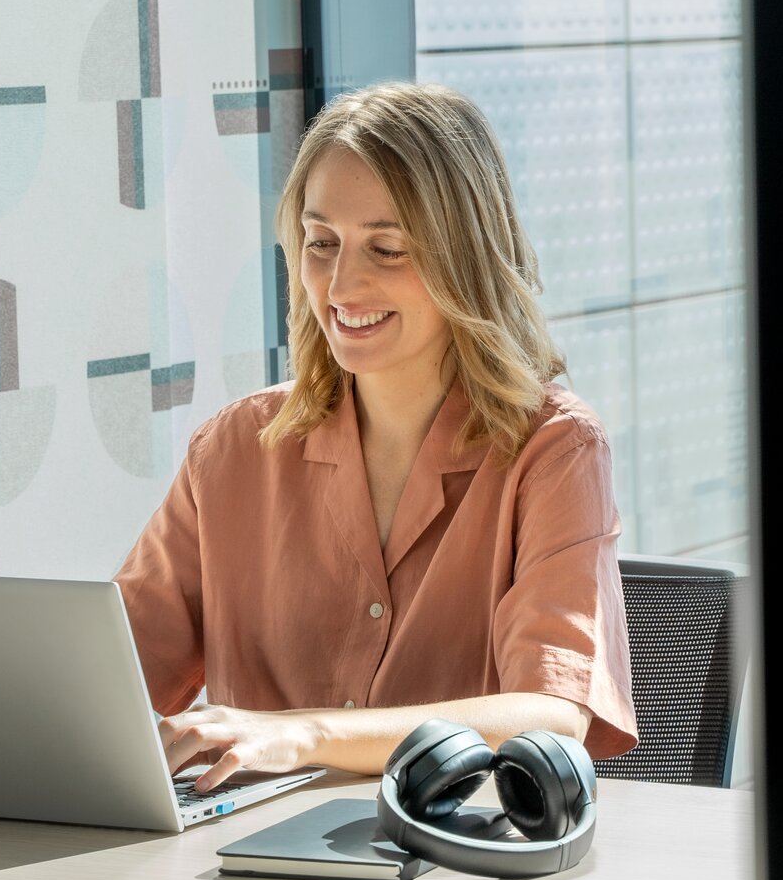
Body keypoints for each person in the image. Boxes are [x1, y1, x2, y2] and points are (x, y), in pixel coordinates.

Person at [114, 82, 635, 793]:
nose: (342, 283)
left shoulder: (554, 449)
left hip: (451, 867)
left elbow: (552, 714)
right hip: (243, 878)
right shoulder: (235, 449)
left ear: (466, 259)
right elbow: (108, 682)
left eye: (387, 249)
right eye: (321, 242)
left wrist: (303, 733)